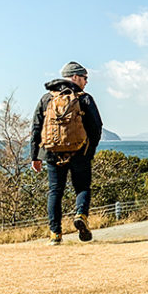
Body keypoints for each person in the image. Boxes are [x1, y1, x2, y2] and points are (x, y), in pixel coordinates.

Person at [30, 62, 103, 244]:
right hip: (79, 152)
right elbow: (96, 126)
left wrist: (35, 156)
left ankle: (55, 234)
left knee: (55, 191)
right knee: (82, 187)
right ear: (74, 77)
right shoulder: (84, 98)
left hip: (52, 152)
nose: (86, 82)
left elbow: (36, 128)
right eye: (84, 78)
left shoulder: (47, 99)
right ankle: (81, 215)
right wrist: (89, 150)